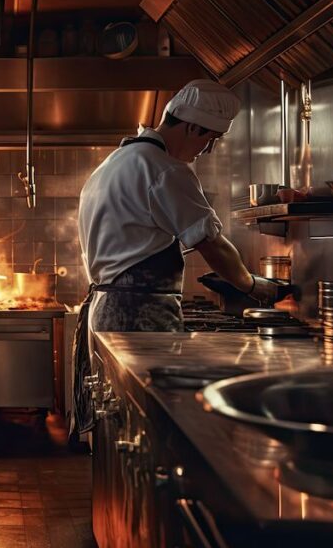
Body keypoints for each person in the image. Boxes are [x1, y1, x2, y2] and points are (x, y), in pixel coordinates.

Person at [71, 79, 289, 433]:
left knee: (118, 425)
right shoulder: (163, 168)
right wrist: (254, 286)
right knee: (147, 424)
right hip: (138, 318)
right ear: (191, 127)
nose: (208, 149)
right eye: (209, 139)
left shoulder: (115, 162)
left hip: (108, 310)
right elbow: (211, 243)